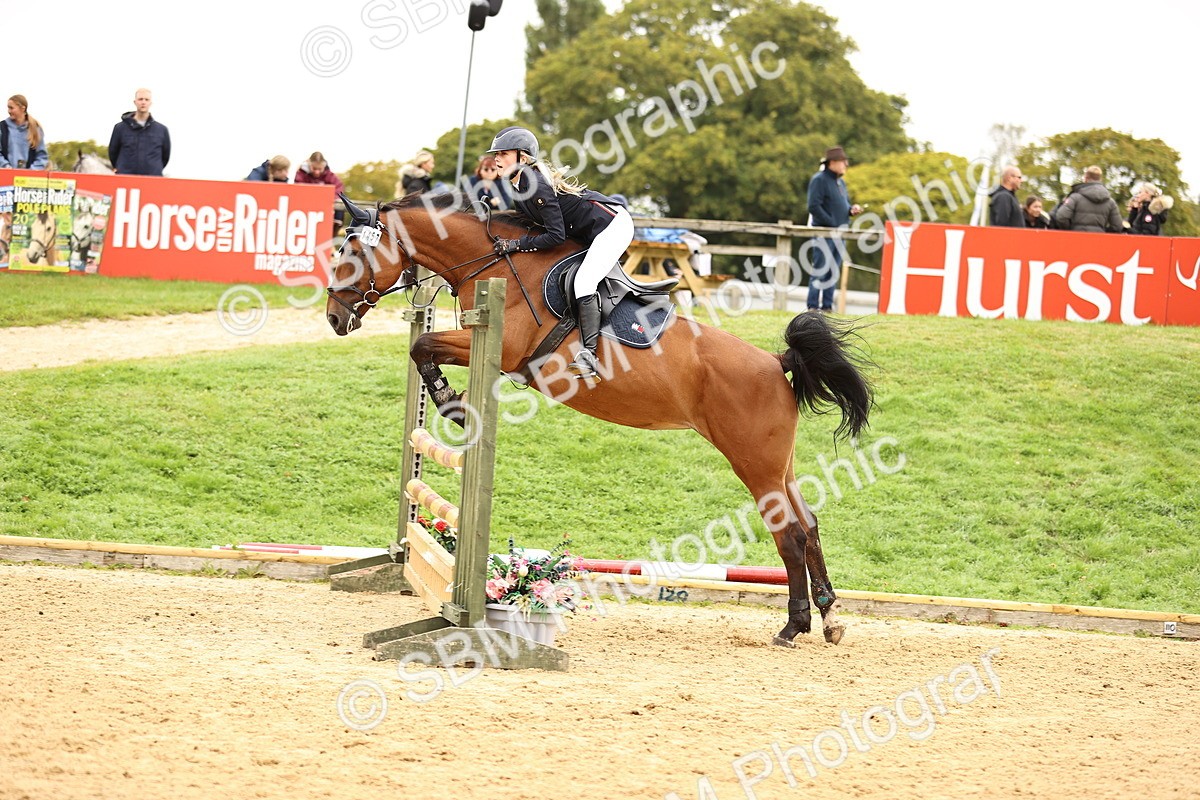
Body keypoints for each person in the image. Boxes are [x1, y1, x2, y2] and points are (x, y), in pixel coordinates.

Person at [488, 126, 633, 384]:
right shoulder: (519, 186)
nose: (496, 159)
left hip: (612, 226)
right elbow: (528, 226)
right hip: (588, 230)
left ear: (523, 158)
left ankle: (588, 356)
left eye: (503, 153)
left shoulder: (536, 185)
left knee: (584, 282)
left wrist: (516, 245)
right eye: (496, 154)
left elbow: (555, 236)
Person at [805, 146, 862, 312]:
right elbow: (813, 206)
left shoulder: (840, 182)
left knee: (833, 271)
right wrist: (831, 223)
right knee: (820, 269)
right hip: (824, 233)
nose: (846, 165)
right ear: (832, 163)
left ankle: (827, 306)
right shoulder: (819, 180)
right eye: (843, 161)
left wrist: (851, 210)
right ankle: (813, 306)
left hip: (840, 233)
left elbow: (843, 205)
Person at [108, 88, 171, 176]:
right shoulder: (120, 128)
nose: (143, 102)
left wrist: (154, 168)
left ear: (150, 103)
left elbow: (165, 156)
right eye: (140, 99)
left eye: (146, 99)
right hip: (126, 177)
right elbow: (113, 152)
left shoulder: (162, 130)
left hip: (152, 178)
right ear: (135, 102)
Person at [1052, 165, 1123, 233]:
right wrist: (1103, 232)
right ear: (1100, 179)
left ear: (1086, 178)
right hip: (1099, 239)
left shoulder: (1075, 197)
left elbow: (1061, 217)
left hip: (1077, 237)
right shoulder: (1110, 202)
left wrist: (1070, 230)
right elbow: (1117, 226)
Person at [1, 95, 49, 170]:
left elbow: (42, 156)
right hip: (5, 174)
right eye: (8, 108)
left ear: (22, 109)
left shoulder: (36, 129)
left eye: (11, 108)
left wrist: (31, 171)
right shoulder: (2, 127)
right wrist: (6, 166)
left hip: (29, 176)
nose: (9, 111)